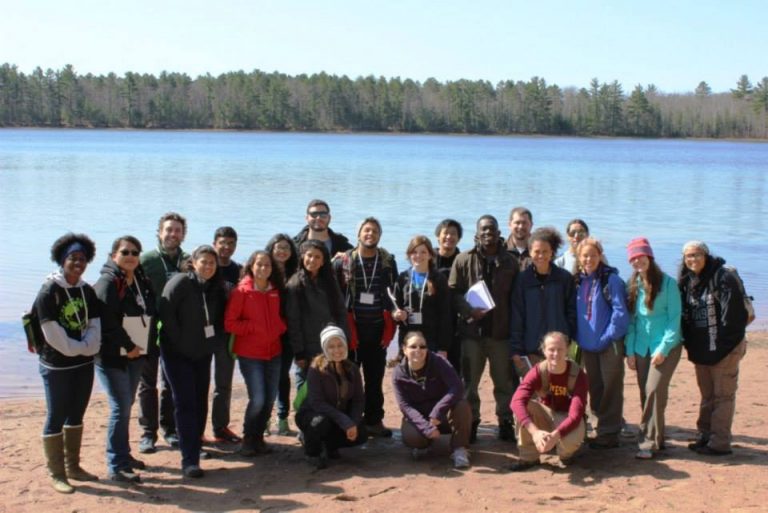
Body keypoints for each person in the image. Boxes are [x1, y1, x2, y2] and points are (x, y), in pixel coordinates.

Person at [34, 233, 102, 493]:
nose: (78, 263)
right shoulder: (49, 291)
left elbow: (95, 324)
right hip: (56, 365)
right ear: (63, 260)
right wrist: (78, 349)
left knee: (77, 414)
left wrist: (89, 348)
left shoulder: (86, 290)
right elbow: (51, 333)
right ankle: (57, 473)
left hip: (83, 364)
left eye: (83, 259)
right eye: (73, 258)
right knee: (56, 415)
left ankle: (73, 466)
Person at [158, 245, 228, 478]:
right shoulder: (179, 283)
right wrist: (180, 343)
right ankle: (189, 460)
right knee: (185, 403)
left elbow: (219, 321)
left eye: (212, 262)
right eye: (203, 262)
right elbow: (165, 315)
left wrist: (213, 344)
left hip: (202, 354)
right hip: (176, 354)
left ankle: (194, 446)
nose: (208, 266)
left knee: (199, 402)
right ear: (193, 262)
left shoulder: (216, 288)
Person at [449, 215, 518, 442]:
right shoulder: (462, 259)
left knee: (504, 382)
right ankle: (472, 422)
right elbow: (453, 293)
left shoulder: (511, 262)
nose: (488, 233)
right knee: (469, 383)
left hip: (500, 334)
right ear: (476, 235)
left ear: (499, 233)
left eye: (492, 229)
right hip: (471, 335)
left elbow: (517, 299)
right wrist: (469, 310)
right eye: (483, 230)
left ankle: (506, 421)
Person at [94, 235, 155, 484]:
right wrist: (129, 346)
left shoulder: (139, 280)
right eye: (125, 252)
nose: (130, 256)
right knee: (120, 407)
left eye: (135, 252)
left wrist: (142, 347)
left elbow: (148, 310)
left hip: (136, 353)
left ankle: (124, 455)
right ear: (113, 256)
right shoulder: (107, 283)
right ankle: (116, 464)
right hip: (112, 357)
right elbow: (107, 322)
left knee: (127, 404)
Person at [679, 241, 749, 456]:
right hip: (702, 353)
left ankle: (719, 443)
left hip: (725, 350)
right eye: (688, 256)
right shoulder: (688, 281)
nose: (692, 259)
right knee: (707, 396)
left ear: (706, 255)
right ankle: (705, 436)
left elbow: (735, 319)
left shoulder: (723, 277)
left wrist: (722, 349)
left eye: (697, 254)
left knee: (723, 397)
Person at [334, 217, 398, 437]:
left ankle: (373, 420)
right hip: (351, 329)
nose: (370, 234)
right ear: (358, 233)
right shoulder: (343, 261)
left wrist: (395, 314)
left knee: (374, 378)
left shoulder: (388, 261)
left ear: (380, 235)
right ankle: (349, 422)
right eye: (366, 230)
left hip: (378, 328)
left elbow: (393, 293)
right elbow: (335, 294)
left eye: (375, 231)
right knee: (348, 379)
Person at [225, 250, 287, 456]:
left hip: (274, 352)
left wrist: (279, 327)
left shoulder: (275, 290)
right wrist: (253, 327)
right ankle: (248, 437)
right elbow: (230, 323)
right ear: (251, 266)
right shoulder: (241, 292)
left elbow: (280, 317)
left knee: (269, 399)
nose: (263, 268)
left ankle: (259, 437)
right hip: (250, 354)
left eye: (267, 265)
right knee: (258, 398)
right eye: (259, 264)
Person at [625, 237, 682, 459]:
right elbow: (632, 321)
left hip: (666, 345)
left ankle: (647, 442)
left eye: (641, 256)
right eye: (633, 258)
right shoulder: (633, 284)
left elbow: (674, 319)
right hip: (640, 347)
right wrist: (630, 350)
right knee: (646, 393)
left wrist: (663, 349)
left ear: (649, 256)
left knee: (654, 390)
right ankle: (658, 439)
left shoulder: (668, 284)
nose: (637, 261)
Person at [137, 212, 188, 453]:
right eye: (169, 229)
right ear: (159, 232)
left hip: (175, 329)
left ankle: (170, 430)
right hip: (146, 328)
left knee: (170, 382)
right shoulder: (145, 259)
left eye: (177, 230)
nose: (173, 234)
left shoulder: (189, 260)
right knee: (147, 383)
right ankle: (148, 433)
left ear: (183, 235)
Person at [574, 237, 629, 449]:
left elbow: (621, 314)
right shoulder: (578, 281)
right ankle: (599, 427)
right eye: (585, 255)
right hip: (587, 345)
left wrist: (607, 337)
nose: (589, 259)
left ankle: (611, 431)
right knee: (595, 387)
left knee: (611, 388)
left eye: (593, 255)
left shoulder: (611, 280)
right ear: (579, 258)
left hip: (609, 344)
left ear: (600, 256)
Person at [392, 332, 472, 469]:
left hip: (442, 416)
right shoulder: (398, 373)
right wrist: (426, 427)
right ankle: (423, 443)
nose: (418, 350)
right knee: (413, 438)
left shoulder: (439, 362)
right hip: (420, 417)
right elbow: (405, 406)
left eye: (422, 347)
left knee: (462, 405)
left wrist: (438, 411)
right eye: (413, 347)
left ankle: (459, 448)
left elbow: (457, 387)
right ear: (404, 349)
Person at [509, 332, 587, 471]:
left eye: (560, 349)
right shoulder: (538, 371)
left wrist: (555, 435)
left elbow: (576, 415)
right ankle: (529, 458)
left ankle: (565, 455)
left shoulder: (577, 374)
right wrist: (535, 432)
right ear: (544, 351)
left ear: (568, 349)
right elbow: (516, 401)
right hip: (545, 413)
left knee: (570, 441)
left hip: (566, 417)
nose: (556, 354)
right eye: (551, 349)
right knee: (524, 406)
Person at [295, 325, 367, 469]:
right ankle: (312, 452)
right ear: (324, 348)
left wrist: (352, 422)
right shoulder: (316, 368)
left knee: (361, 433)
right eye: (331, 346)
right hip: (312, 414)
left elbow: (358, 399)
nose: (336, 350)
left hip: (337, 414)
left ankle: (329, 446)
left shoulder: (352, 368)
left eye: (340, 345)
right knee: (320, 422)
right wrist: (345, 421)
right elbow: (317, 403)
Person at [510, 227, 576, 381]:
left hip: (558, 349)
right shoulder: (522, 280)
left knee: (559, 392)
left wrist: (567, 337)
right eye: (537, 251)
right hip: (531, 348)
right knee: (535, 394)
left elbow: (572, 311)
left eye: (545, 251)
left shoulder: (564, 278)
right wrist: (516, 349)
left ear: (552, 252)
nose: (541, 256)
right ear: (530, 252)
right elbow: (517, 316)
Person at [285, 240, 348, 390]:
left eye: (317, 257)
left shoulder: (329, 281)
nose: (312, 260)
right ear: (302, 257)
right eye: (309, 255)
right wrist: (299, 352)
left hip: (331, 342)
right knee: (307, 388)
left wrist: (344, 340)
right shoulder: (295, 284)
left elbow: (341, 312)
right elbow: (293, 321)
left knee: (331, 385)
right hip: (307, 347)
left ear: (323, 261)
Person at [209, 226, 242, 444]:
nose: (226, 247)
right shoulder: (205, 265)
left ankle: (220, 427)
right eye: (222, 242)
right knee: (198, 384)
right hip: (202, 333)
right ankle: (193, 429)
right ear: (215, 244)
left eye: (230, 243)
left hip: (226, 334)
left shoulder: (238, 270)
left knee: (223, 384)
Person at [392, 236, 451, 355]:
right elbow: (394, 307)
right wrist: (397, 315)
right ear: (409, 255)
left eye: (423, 252)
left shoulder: (439, 279)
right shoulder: (402, 278)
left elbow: (445, 315)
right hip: (407, 337)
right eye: (414, 252)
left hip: (431, 338)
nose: (418, 255)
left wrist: (443, 347)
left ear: (430, 255)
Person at [266, 233, 300, 436]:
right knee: (266, 376)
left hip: (287, 334)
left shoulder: (295, 274)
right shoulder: (263, 271)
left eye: (286, 248)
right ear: (271, 249)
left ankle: (282, 417)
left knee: (281, 375)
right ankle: (265, 419)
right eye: (278, 247)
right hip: (267, 333)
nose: (282, 251)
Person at [434, 218, 464, 372]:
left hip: (455, 320)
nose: (449, 237)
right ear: (438, 235)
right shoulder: (428, 258)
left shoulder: (463, 260)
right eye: (446, 233)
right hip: (432, 318)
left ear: (459, 238)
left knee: (454, 367)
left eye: (454, 234)